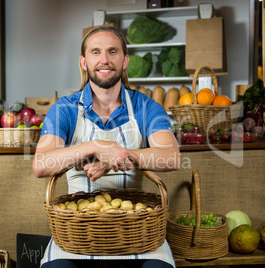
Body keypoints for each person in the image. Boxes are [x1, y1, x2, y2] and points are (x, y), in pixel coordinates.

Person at [33, 26, 180, 268]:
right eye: (95, 52)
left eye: (113, 52)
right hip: (77, 235)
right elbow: (41, 165)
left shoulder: (147, 107)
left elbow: (171, 157)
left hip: (136, 233)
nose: (104, 60)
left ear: (125, 61)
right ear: (83, 61)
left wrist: (118, 156)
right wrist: (94, 146)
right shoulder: (65, 109)